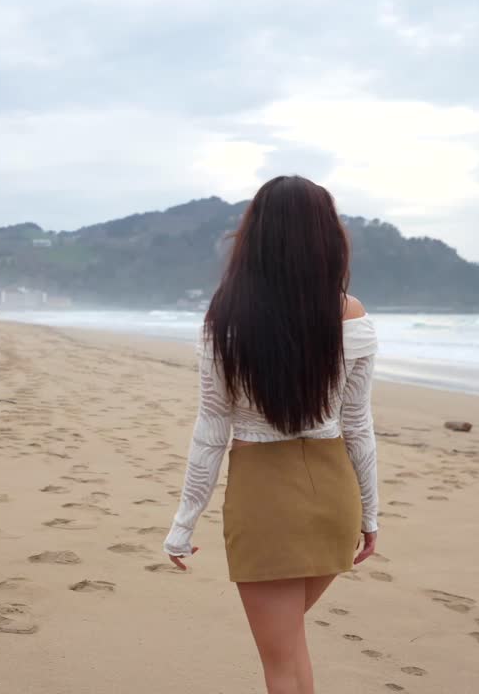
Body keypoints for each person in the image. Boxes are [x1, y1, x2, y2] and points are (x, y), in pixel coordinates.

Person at [163, 175, 380, 694]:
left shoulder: (226, 319)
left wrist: (184, 522)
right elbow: (357, 425)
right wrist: (370, 513)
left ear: (254, 236)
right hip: (334, 494)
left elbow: (212, 429)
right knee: (291, 650)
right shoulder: (352, 314)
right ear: (328, 237)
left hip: (264, 501)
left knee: (281, 661)